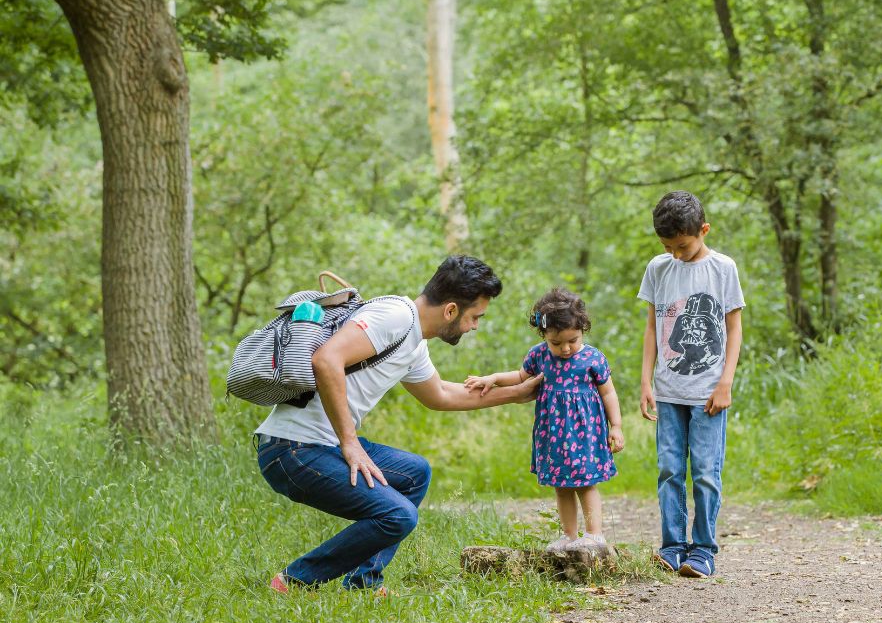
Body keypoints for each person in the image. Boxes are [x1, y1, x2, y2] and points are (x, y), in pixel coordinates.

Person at [255, 255, 543, 595]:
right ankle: (294, 580)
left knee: (415, 472)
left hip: (318, 446)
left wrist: (516, 393)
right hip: (291, 450)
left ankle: (363, 582)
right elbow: (326, 359)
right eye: (475, 316)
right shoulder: (394, 316)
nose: (475, 326)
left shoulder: (413, 339)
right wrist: (350, 442)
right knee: (398, 516)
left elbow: (440, 395)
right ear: (451, 310)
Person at [465, 287, 624, 551]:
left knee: (586, 484)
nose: (565, 348)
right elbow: (519, 377)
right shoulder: (539, 355)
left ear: (583, 328)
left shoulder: (593, 358)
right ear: (544, 335)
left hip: (585, 433)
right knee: (561, 486)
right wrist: (492, 378)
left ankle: (595, 535)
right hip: (553, 434)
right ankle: (570, 537)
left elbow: (608, 393)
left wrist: (616, 426)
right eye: (556, 342)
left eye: (572, 340)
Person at [638, 191, 745, 578]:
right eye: (668, 247)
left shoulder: (723, 268)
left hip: (709, 393)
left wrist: (725, 382)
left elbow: (734, 329)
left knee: (704, 471)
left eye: (682, 245)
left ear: (703, 230)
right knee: (669, 468)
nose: (676, 254)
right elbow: (652, 327)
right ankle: (672, 546)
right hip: (668, 391)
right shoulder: (658, 268)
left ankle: (702, 550)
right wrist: (646, 381)